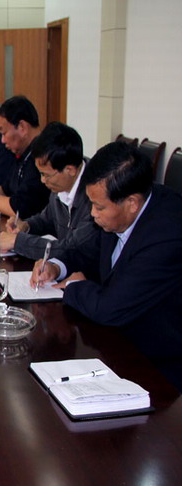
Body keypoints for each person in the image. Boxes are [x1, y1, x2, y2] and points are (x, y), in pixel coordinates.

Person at [31, 142, 182, 391]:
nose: (92, 213)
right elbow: (87, 253)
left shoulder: (167, 234)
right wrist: (56, 267)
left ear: (132, 203)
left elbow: (110, 308)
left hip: (159, 368)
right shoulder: (120, 213)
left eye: (99, 207)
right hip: (116, 343)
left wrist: (73, 287)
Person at [0, 122, 97, 260]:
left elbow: (73, 248)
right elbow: (47, 219)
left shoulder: (95, 195)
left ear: (69, 170)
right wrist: (26, 226)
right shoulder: (60, 185)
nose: (43, 180)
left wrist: (18, 242)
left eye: (46, 175)